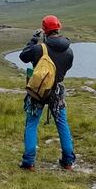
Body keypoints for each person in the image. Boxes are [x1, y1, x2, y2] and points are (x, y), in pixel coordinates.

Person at [19, 15, 76, 170]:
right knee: (62, 124)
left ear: (44, 30)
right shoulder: (69, 51)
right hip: (57, 92)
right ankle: (68, 161)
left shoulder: (39, 48)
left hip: (38, 92)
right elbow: (66, 68)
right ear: (58, 28)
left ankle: (28, 162)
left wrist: (33, 40)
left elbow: (23, 56)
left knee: (32, 124)